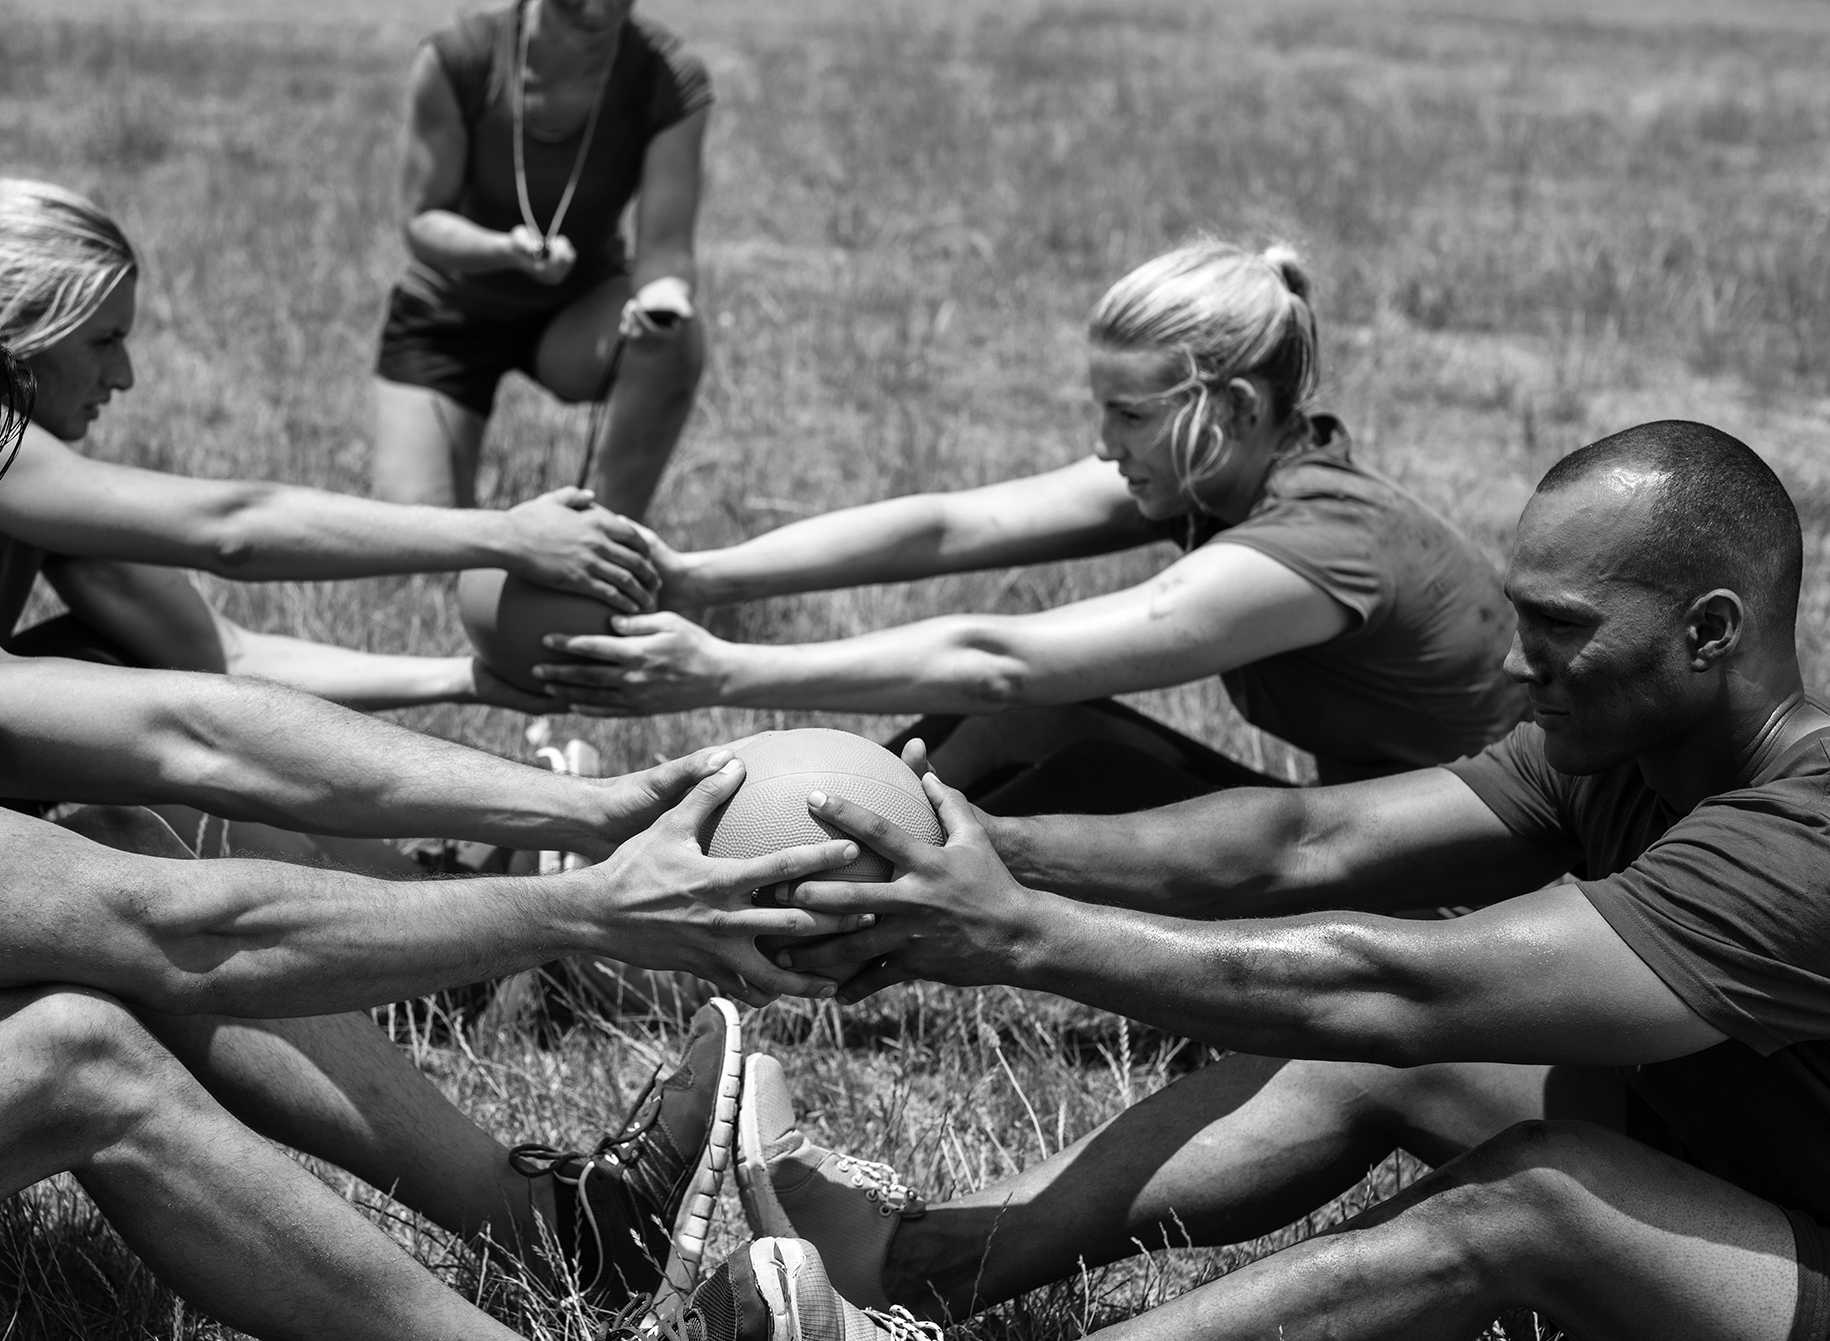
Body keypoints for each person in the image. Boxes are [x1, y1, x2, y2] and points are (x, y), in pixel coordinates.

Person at [0, 261, 901, 1341]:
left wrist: (599, 819)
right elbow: (172, 933)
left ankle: (559, 1231)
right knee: (70, 1047)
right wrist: (588, 913)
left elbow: (186, 732)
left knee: (120, 838)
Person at [734, 420, 1830, 1340]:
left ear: (1708, 632)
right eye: (1519, 614)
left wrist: (1017, 933)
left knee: (1531, 1198)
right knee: (1357, 1062)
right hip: (1733, 1171)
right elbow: (1303, 840)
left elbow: (1397, 989)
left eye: (1560, 626)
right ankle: (905, 1267)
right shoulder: (1617, 755)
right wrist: (980, 846)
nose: (1513, 660)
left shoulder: (1806, 835)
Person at [537, 241, 1524, 811]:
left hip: (1454, 907)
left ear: (1227, 409)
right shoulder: (1220, 474)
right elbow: (950, 528)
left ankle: (673, 906)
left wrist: (721, 672)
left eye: (1128, 414)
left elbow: (998, 662)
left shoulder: (1317, 546)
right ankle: (668, 870)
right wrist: (698, 576)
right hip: (1366, 847)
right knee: (1017, 737)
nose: (1103, 443)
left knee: (1030, 732)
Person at [0, 176, 657, 716]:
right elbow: (233, 528)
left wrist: (467, 679)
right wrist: (504, 534)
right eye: (105, 340)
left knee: (133, 660)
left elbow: (226, 656)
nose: (124, 376)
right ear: (12, 325)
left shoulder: (47, 497)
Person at [372, 0, 710, 522]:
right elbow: (422, 222)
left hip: (576, 310)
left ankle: (609, 537)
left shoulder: (667, 75)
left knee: (677, 338)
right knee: (423, 548)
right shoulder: (459, 57)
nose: (597, 8)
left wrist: (662, 303)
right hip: (449, 315)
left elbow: (666, 252)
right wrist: (506, 250)